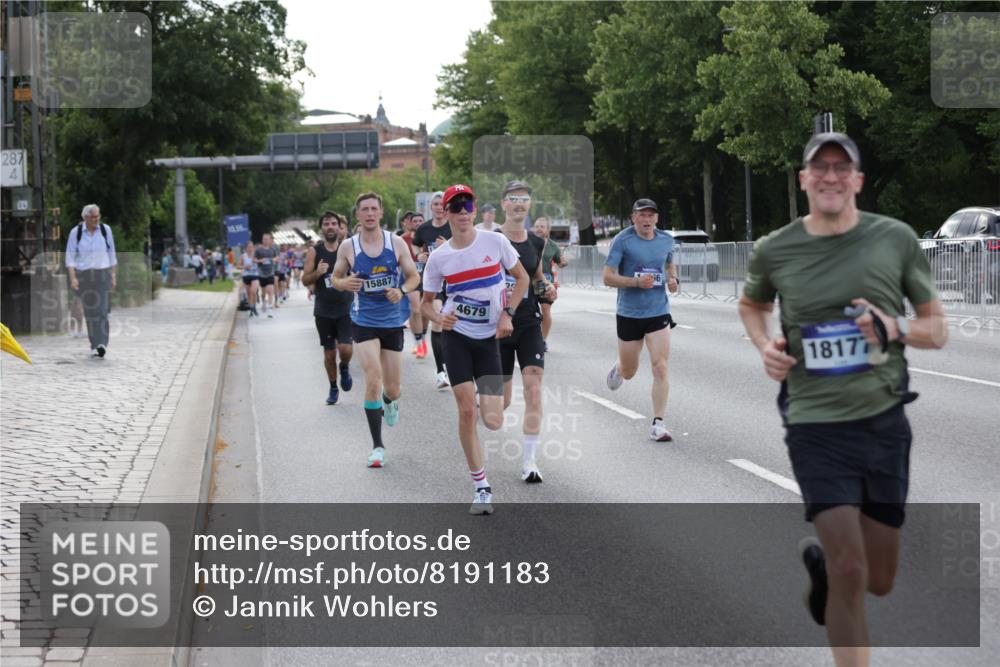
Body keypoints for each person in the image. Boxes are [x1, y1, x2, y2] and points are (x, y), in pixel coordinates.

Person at [738, 132, 947, 667]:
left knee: (877, 579)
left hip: (883, 420)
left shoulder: (894, 239)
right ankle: (837, 580)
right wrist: (766, 346)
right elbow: (751, 304)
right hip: (815, 424)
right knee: (852, 570)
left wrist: (892, 326)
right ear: (804, 179)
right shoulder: (775, 248)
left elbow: (937, 328)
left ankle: (825, 579)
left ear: (857, 179)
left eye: (841, 167)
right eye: (819, 167)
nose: (830, 176)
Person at [421, 184, 528, 514]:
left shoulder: (495, 241)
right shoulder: (439, 258)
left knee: (493, 420)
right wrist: (440, 317)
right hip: (458, 339)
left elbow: (521, 279)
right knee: (467, 411)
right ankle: (481, 486)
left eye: (467, 204)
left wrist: (507, 313)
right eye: (456, 207)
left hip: (489, 340)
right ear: (447, 213)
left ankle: (485, 402)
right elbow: (425, 304)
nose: (463, 211)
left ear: (474, 208)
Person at [331, 192, 420, 468]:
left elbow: (414, 276)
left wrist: (401, 290)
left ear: (381, 212)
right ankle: (377, 446)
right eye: (364, 209)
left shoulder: (395, 243)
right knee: (372, 377)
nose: (369, 213)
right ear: (358, 215)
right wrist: (344, 284)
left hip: (393, 321)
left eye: (374, 209)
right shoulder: (348, 246)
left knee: (392, 389)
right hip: (363, 321)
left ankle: (389, 401)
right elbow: (334, 278)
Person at [603, 198, 679, 442]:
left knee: (660, 366)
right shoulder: (622, 240)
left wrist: (673, 279)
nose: (646, 220)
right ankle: (619, 367)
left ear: (657, 218)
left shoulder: (666, 240)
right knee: (630, 370)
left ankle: (659, 423)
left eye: (651, 215)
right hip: (629, 312)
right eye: (642, 215)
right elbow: (607, 277)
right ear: (633, 218)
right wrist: (636, 282)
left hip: (658, 311)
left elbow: (669, 263)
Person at [497, 181, 557, 483]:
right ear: (503, 204)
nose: (519, 203)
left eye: (524, 198)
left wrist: (547, 289)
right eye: (513, 198)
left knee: (533, 391)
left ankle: (530, 461)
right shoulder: (490, 239)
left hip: (529, 323)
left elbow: (537, 278)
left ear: (530, 204)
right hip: (497, 327)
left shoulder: (536, 241)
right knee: (500, 405)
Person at [303, 212, 354, 405]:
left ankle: (345, 366)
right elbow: (305, 279)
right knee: (329, 353)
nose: (331, 227)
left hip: (346, 307)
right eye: (327, 224)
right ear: (322, 228)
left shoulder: (347, 248)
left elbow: (360, 271)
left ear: (339, 227)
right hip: (323, 309)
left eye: (334, 223)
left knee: (346, 348)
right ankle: (333, 387)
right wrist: (318, 272)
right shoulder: (314, 252)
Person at [65, 204, 117, 358]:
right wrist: (73, 278)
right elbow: (70, 257)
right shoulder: (76, 233)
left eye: (98, 216)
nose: (97, 219)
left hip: (102, 274)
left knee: (101, 310)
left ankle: (102, 343)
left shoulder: (105, 230)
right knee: (90, 311)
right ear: (86, 217)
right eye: (94, 217)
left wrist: (113, 275)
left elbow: (112, 253)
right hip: (85, 275)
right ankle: (94, 344)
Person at [413, 191, 453, 389]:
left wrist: (447, 247)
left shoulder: (454, 227)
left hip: (455, 282)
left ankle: (455, 362)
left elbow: (464, 251)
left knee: (450, 325)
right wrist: (420, 256)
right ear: (431, 207)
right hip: (434, 282)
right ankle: (440, 371)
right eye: (436, 204)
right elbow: (415, 248)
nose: (439, 207)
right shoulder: (424, 229)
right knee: (437, 322)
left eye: (442, 204)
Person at [532, 217, 568, 351]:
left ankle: (543, 340)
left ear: (548, 229)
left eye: (542, 226)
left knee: (545, 309)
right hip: (530, 280)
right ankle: (530, 339)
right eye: (537, 226)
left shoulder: (552, 246)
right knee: (530, 311)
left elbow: (560, 262)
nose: (539, 229)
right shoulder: (528, 242)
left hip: (544, 282)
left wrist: (563, 262)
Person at [399, 212, 427, 358]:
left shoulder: (429, 235)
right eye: (415, 221)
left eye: (420, 220)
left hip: (428, 278)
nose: (417, 223)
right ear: (410, 223)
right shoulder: (403, 239)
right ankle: (419, 343)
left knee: (425, 310)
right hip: (411, 278)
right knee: (415, 309)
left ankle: (423, 337)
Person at [255, 233, 279, 317]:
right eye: (264, 239)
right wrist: (260, 261)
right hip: (261, 273)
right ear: (262, 240)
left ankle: (270, 308)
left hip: (270, 273)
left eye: (267, 239)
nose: (265, 240)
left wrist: (273, 259)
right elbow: (254, 259)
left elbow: (277, 258)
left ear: (270, 240)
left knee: (270, 290)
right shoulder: (258, 250)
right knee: (263, 292)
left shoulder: (272, 249)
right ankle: (264, 302)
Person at [240, 242, 260, 317]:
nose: (250, 248)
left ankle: (254, 307)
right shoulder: (243, 256)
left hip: (255, 275)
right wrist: (244, 266)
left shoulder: (257, 255)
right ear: (246, 248)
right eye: (249, 247)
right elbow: (238, 266)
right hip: (246, 276)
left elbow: (261, 263)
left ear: (253, 248)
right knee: (249, 294)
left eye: (251, 247)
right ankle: (251, 308)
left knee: (253, 291)